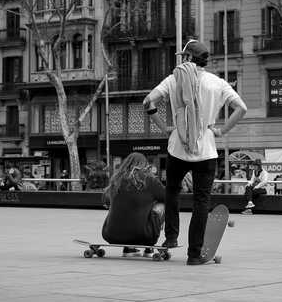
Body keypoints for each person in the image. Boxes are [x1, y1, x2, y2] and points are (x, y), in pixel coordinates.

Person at [143, 39, 247, 265]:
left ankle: (171, 237)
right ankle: (194, 254)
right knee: (202, 200)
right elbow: (242, 108)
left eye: (184, 57)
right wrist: (221, 131)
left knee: (172, 191)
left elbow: (148, 101)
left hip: (177, 146)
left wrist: (165, 129)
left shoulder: (173, 79)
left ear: (188, 58)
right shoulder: (217, 83)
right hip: (206, 149)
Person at [101, 153, 166, 257]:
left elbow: (105, 201)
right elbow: (167, 197)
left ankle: (129, 249)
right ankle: (148, 247)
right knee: (162, 205)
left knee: (124, 205)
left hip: (110, 234)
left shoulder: (116, 180)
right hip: (143, 235)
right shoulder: (149, 180)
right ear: (144, 165)